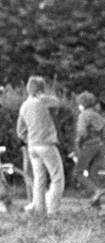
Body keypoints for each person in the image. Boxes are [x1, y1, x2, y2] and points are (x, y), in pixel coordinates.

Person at [16, 76, 65, 217]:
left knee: (39, 178)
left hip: (32, 146)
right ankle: (52, 210)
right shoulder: (42, 101)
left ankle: (39, 209)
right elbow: (57, 102)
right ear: (41, 89)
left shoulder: (24, 106)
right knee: (57, 177)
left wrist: (29, 139)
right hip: (47, 144)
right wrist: (44, 95)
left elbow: (20, 131)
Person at [73, 91, 105, 208]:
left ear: (82, 104)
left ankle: (96, 190)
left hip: (88, 146)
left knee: (78, 172)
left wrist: (78, 142)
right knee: (94, 173)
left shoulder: (83, 115)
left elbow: (82, 132)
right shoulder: (97, 115)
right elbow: (104, 130)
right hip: (100, 145)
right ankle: (96, 205)